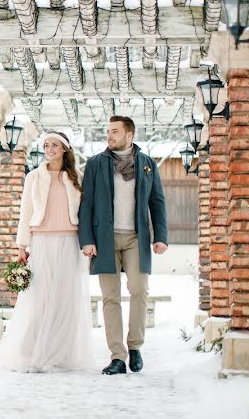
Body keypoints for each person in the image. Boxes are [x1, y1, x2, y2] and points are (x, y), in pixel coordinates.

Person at [77, 116, 168, 375]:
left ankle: (135, 346)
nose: (110, 136)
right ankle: (117, 356)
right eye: (108, 131)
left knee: (140, 290)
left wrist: (160, 236)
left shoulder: (148, 164)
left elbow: (157, 202)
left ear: (130, 135)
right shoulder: (96, 164)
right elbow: (86, 204)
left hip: (136, 239)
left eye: (115, 131)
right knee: (110, 297)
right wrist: (87, 240)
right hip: (104, 240)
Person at [0, 131, 93, 373]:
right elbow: (25, 213)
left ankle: (59, 354)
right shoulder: (33, 177)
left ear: (64, 149)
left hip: (70, 242)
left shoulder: (76, 177)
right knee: (39, 299)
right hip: (40, 241)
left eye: (55, 145)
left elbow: (86, 214)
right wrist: (22, 246)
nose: (50, 149)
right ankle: (30, 352)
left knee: (64, 300)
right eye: (47, 145)